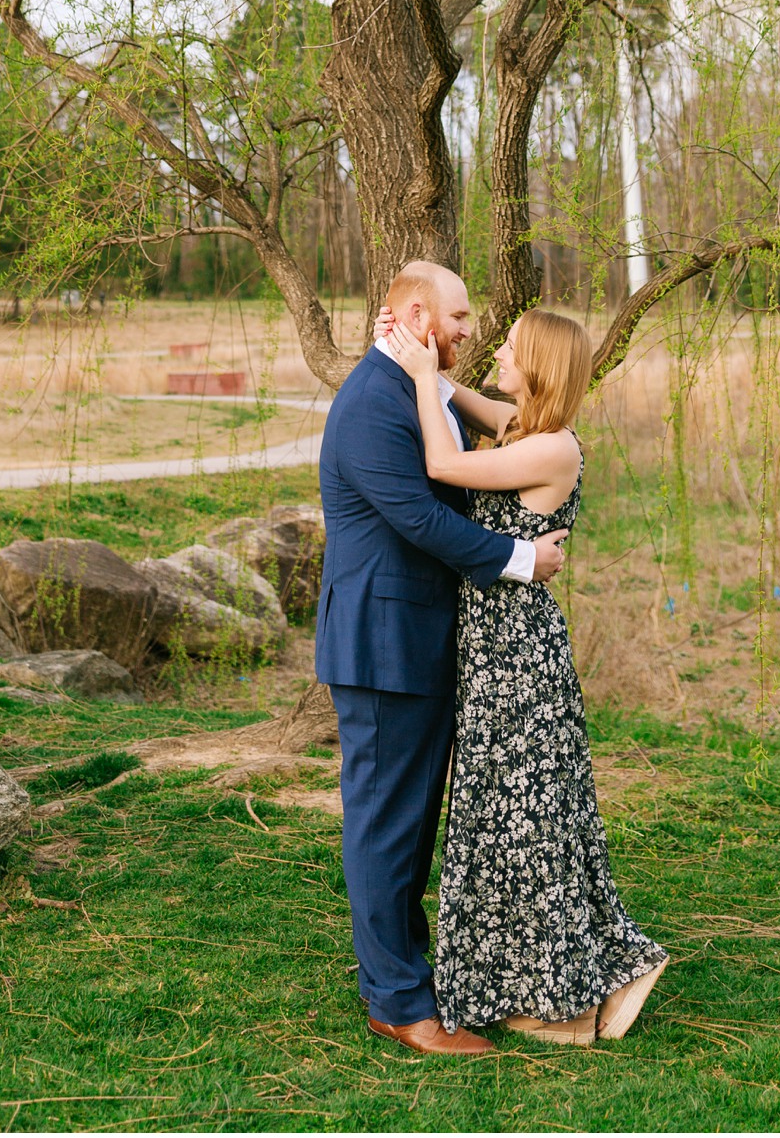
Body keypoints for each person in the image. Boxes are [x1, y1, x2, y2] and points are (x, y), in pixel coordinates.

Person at [379, 302, 668, 1047]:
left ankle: (571, 1003)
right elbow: (455, 398)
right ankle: (538, 986)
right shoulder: (519, 427)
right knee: (504, 821)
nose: (497, 352)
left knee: (530, 824)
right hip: (491, 649)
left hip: (520, 656)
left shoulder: (552, 449)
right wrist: (420, 355)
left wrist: (420, 371)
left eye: (508, 347)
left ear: (538, 365)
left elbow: (443, 462)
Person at [314, 261, 570, 1057]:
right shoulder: (369, 405)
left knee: (410, 824)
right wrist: (524, 559)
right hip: (382, 647)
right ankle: (398, 1002)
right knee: (388, 825)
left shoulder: (412, 388)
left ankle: (398, 971)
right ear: (420, 316)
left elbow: (486, 437)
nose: (469, 328)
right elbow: (424, 520)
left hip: (418, 642)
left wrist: (442, 382)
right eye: (459, 315)